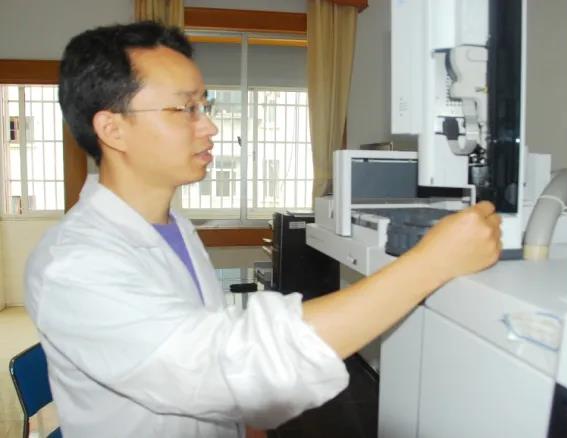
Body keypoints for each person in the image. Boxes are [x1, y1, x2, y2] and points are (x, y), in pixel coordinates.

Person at [25, 21, 502, 438]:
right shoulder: (75, 265)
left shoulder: (172, 227)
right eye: (185, 109)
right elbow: (225, 363)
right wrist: (429, 263)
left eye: (205, 104)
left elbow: (216, 361)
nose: (210, 126)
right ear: (112, 129)